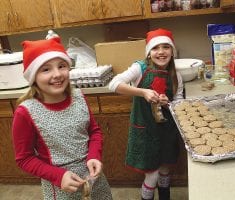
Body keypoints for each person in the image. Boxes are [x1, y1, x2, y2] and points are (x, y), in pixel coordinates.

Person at [12, 37, 112, 200]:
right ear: (33, 76)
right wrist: (59, 176)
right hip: (60, 187)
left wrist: (94, 155)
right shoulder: (26, 112)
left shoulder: (79, 97)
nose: (57, 74)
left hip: (94, 179)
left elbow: (94, 131)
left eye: (62, 66)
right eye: (46, 69)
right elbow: (24, 158)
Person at [109, 28, 183, 200]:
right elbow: (114, 84)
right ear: (149, 53)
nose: (161, 52)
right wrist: (143, 92)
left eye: (166, 47)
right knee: (152, 174)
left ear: (172, 52)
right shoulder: (139, 68)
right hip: (146, 131)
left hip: (166, 131)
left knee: (165, 170)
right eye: (156, 48)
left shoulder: (176, 76)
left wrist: (168, 103)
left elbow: (179, 103)